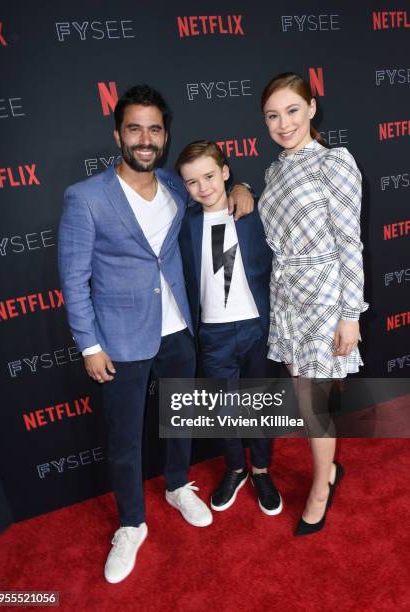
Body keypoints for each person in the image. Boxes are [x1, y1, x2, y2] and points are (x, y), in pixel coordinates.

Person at [58, 85, 254, 583]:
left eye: (154, 129)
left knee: (179, 418)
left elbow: (213, 190)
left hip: (179, 331)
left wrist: (240, 188)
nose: (145, 138)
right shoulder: (85, 198)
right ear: (117, 134)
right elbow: (73, 278)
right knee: (124, 439)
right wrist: (89, 344)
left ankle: (176, 484)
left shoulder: (174, 185)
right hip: (119, 339)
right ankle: (130, 524)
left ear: (165, 137)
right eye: (134, 128)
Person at [258, 73, 368, 535]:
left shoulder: (334, 163)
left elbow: (350, 242)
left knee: (312, 401)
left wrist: (350, 315)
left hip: (325, 292)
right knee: (306, 399)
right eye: (272, 115)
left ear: (312, 108)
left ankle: (321, 487)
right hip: (287, 296)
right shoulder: (272, 171)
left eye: (292, 110)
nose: (283, 123)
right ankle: (329, 471)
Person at [176, 140, 282, 517]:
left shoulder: (252, 212)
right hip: (213, 333)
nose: (203, 187)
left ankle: (262, 471)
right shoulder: (184, 223)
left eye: (209, 175)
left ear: (225, 171)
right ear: (184, 187)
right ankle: (235, 469)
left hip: (256, 325)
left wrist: (245, 188)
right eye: (192, 182)